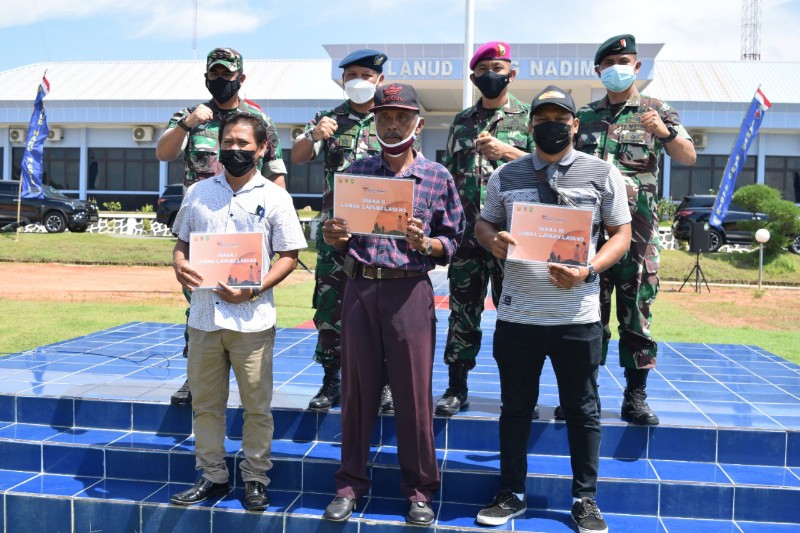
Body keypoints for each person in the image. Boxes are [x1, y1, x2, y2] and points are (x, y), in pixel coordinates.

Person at [474, 86, 631, 532]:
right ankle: (511, 492)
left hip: (576, 317)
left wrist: (589, 269)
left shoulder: (603, 173)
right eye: (542, 119)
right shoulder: (505, 176)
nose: (551, 126)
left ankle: (585, 498)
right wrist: (493, 241)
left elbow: (620, 233)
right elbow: (484, 223)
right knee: (515, 408)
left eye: (560, 119)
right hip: (518, 315)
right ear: (530, 126)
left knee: (582, 409)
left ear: (575, 126)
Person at [320, 83, 464, 526]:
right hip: (361, 288)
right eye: (384, 117)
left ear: (418, 123)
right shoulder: (356, 173)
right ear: (374, 123)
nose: (393, 125)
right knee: (356, 392)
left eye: (402, 117)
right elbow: (335, 232)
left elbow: (453, 240)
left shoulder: (436, 176)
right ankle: (349, 484)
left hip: (409, 291)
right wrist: (332, 235)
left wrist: (428, 244)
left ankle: (419, 491)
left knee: (413, 394)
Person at [169, 112, 307, 511]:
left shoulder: (276, 197)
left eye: (243, 143)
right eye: (228, 142)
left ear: (261, 148)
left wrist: (254, 288)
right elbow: (181, 243)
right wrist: (179, 263)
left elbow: (289, 255)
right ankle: (212, 474)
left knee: (256, 407)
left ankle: (255, 478)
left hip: (252, 319)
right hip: (204, 318)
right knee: (205, 405)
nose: (234, 149)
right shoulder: (198, 192)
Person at [571, 34, 696, 426]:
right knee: (587, 317)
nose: (617, 69)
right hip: (590, 236)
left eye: (624, 61)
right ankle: (584, 396)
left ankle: (635, 396)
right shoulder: (585, 116)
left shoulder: (657, 111)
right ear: (598, 70)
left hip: (637, 236)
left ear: (637, 66)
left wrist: (664, 132)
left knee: (636, 315)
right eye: (609, 64)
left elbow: (689, 155)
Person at [156, 47, 287, 406]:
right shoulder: (189, 116)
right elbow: (163, 153)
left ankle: (248, 373)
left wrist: (278, 224)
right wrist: (188, 124)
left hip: (247, 225)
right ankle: (195, 374)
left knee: (247, 298)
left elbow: (276, 173)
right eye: (213, 73)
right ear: (206, 77)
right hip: (204, 227)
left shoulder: (259, 119)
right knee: (199, 301)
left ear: (240, 78)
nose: (220, 79)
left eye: (226, 74)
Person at [291, 49, 393, 413]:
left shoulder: (390, 118)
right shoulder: (329, 119)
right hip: (336, 232)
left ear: (379, 80)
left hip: (382, 233)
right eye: (351, 76)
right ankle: (331, 379)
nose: (359, 81)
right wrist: (314, 134)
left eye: (366, 75)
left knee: (381, 307)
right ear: (342, 81)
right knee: (330, 304)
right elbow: (298, 156)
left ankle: (383, 384)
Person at [438, 41, 535, 417]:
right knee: (462, 312)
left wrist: (508, 152)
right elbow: (450, 177)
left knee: (516, 316)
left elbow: (549, 168)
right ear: (473, 77)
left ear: (512, 73)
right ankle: (456, 387)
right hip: (467, 236)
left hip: (513, 237)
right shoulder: (461, 121)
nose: (490, 75)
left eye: (498, 68)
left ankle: (517, 391)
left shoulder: (530, 118)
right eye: (483, 70)